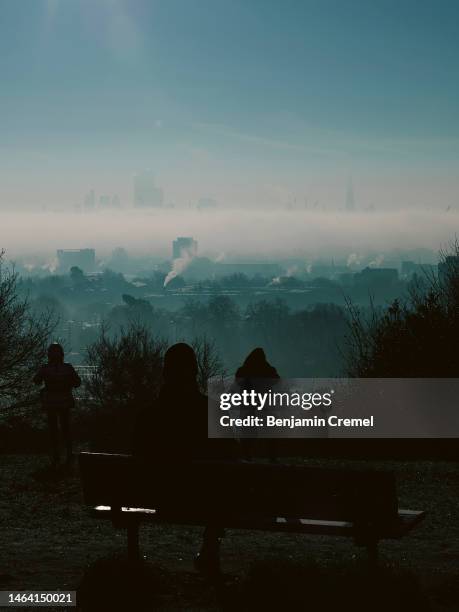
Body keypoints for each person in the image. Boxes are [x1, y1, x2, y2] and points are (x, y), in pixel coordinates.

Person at [133, 343, 236, 578]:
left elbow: (137, 454)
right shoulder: (213, 412)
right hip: (205, 499)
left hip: (157, 495)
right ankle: (210, 545)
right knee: (223, 482)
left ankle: (133, 553)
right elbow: (232, 458)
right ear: (194, 372)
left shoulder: (148, 416)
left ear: (165, 373)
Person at [33, 343, 81, 467]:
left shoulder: (45, 368)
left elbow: (36, 380)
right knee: (65, 428)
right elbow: (77, 383)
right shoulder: (67, 368)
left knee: (54, 430)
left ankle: (57, 456)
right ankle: (68, 454)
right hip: (63, 402)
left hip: (51, 402)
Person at [235, 347, 280, 461]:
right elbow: (276, 379)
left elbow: (238, 380)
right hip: (261, 403)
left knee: (250, 430)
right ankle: (271, 456)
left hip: (250, 403)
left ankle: (247, 454)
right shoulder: (266, 368)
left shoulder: (245, 369)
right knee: (267, 429)